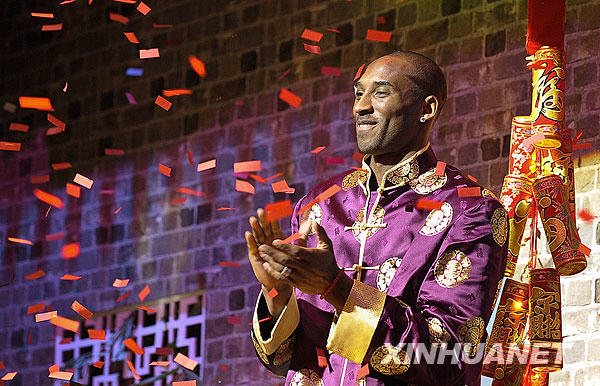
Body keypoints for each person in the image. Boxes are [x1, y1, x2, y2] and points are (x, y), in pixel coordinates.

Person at [245, 51, 508, 385]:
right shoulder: (318, 206)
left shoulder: (470, 209)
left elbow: (447, 358)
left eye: (380, 93)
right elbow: (288, 361)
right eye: (358, 94)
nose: (360, 107)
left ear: (426, 109)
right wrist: (277, 293)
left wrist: (338, 289)